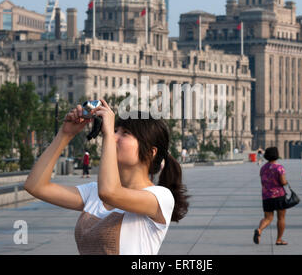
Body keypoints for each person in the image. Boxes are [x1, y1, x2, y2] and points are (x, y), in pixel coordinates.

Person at [24, 101, 189, 255]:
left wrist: (108, 133)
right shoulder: (93, 192)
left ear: (150, 152)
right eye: (115, 130)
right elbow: (36, 186)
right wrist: (65, 134)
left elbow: (110, 192)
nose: (114, 136)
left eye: (125, 133)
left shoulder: (160, 197)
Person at [254, 147, 289, 246]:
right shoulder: (279, 167)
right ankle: (279, 239)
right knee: (281, 218)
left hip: (266, 196)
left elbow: (263, 182)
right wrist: (286, 182)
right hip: (279, 196)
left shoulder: (263, 168)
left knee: (268, 218)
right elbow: (282, 182)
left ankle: (259, 230)